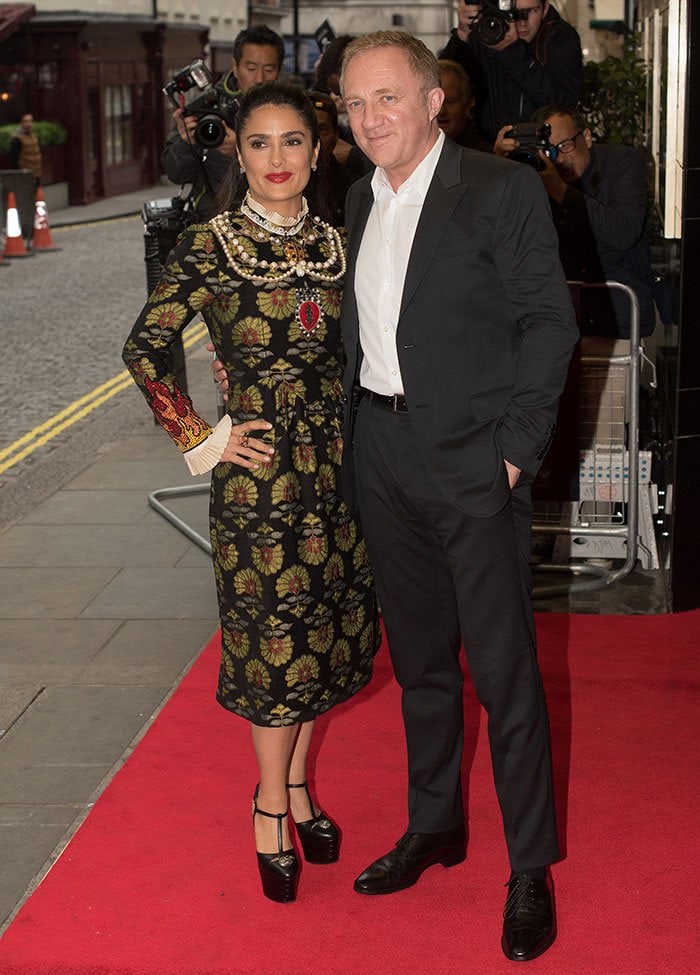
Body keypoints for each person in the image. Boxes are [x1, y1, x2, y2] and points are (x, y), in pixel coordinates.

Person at [339, 31, 577, 962]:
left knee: (505, 673)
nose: (369, 119)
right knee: (423, 666)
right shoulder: (358, 197)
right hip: (384, 451)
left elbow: (549, 326)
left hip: (476, 460)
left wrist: (515, 455)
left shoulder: (500, 188)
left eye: (387, 98)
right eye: (355, 104)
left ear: (435, 99)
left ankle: (530, 866)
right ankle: (435, 822)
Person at [123, 81, 380, 905]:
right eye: (259, 143)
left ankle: (302, 786)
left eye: (293, 142)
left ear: (317, 148)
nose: (277, 159)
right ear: (237, 150)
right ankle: (269, 804)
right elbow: (146, 346)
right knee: (276, 648)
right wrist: (203, 438)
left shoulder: (341, 241)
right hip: (260, 482)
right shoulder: (210, 241)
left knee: (328, 640)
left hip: (339, 475)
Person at [494, 104, 656, 337]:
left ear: (587, 137)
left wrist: (560, 191)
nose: (559, 158)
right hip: (556, 321)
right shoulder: (531, 174)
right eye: (549, 150)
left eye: (566, 145)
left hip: (619, 317)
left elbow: (624, 232)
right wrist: (500, 171)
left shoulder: (620, 161)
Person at [161, 25, 285, 219]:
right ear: (235, 66)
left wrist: (240, 150)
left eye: (269, 69)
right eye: (251, 68)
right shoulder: (204, 107)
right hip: (212, 222)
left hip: (276, 217)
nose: (259, 78)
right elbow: (176, 174)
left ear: (279, 69)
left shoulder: (292, 110)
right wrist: (186, 143)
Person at [441, 0, 583, 144]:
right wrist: (461, 37)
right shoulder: (486, 31)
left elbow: (563, 103)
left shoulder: (559, 37)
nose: (521, 22)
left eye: (531, 11)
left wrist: (512, 51)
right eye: (513, 13)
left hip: (544, 150)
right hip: (485, 151)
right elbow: (444, 87)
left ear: (545, 8)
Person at [308, 90, 361, 225]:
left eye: (321, 130)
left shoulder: (354, 188)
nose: (315, 140)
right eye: (307, 131)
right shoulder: (283, 181)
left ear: (336, 133)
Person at [437, 59, 491, 151]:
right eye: (434, 102)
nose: (441, 110)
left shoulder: (485, 156)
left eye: (450, 101)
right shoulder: (408, 151)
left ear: (468, 104)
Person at [10, 113, 42, 185]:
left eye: (31, 121)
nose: (29, 124)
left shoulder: (34, 137)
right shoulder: (17, 139)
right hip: (24, 177)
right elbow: (13, 161)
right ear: (21, 123)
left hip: (36, 175)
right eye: (26, 121)